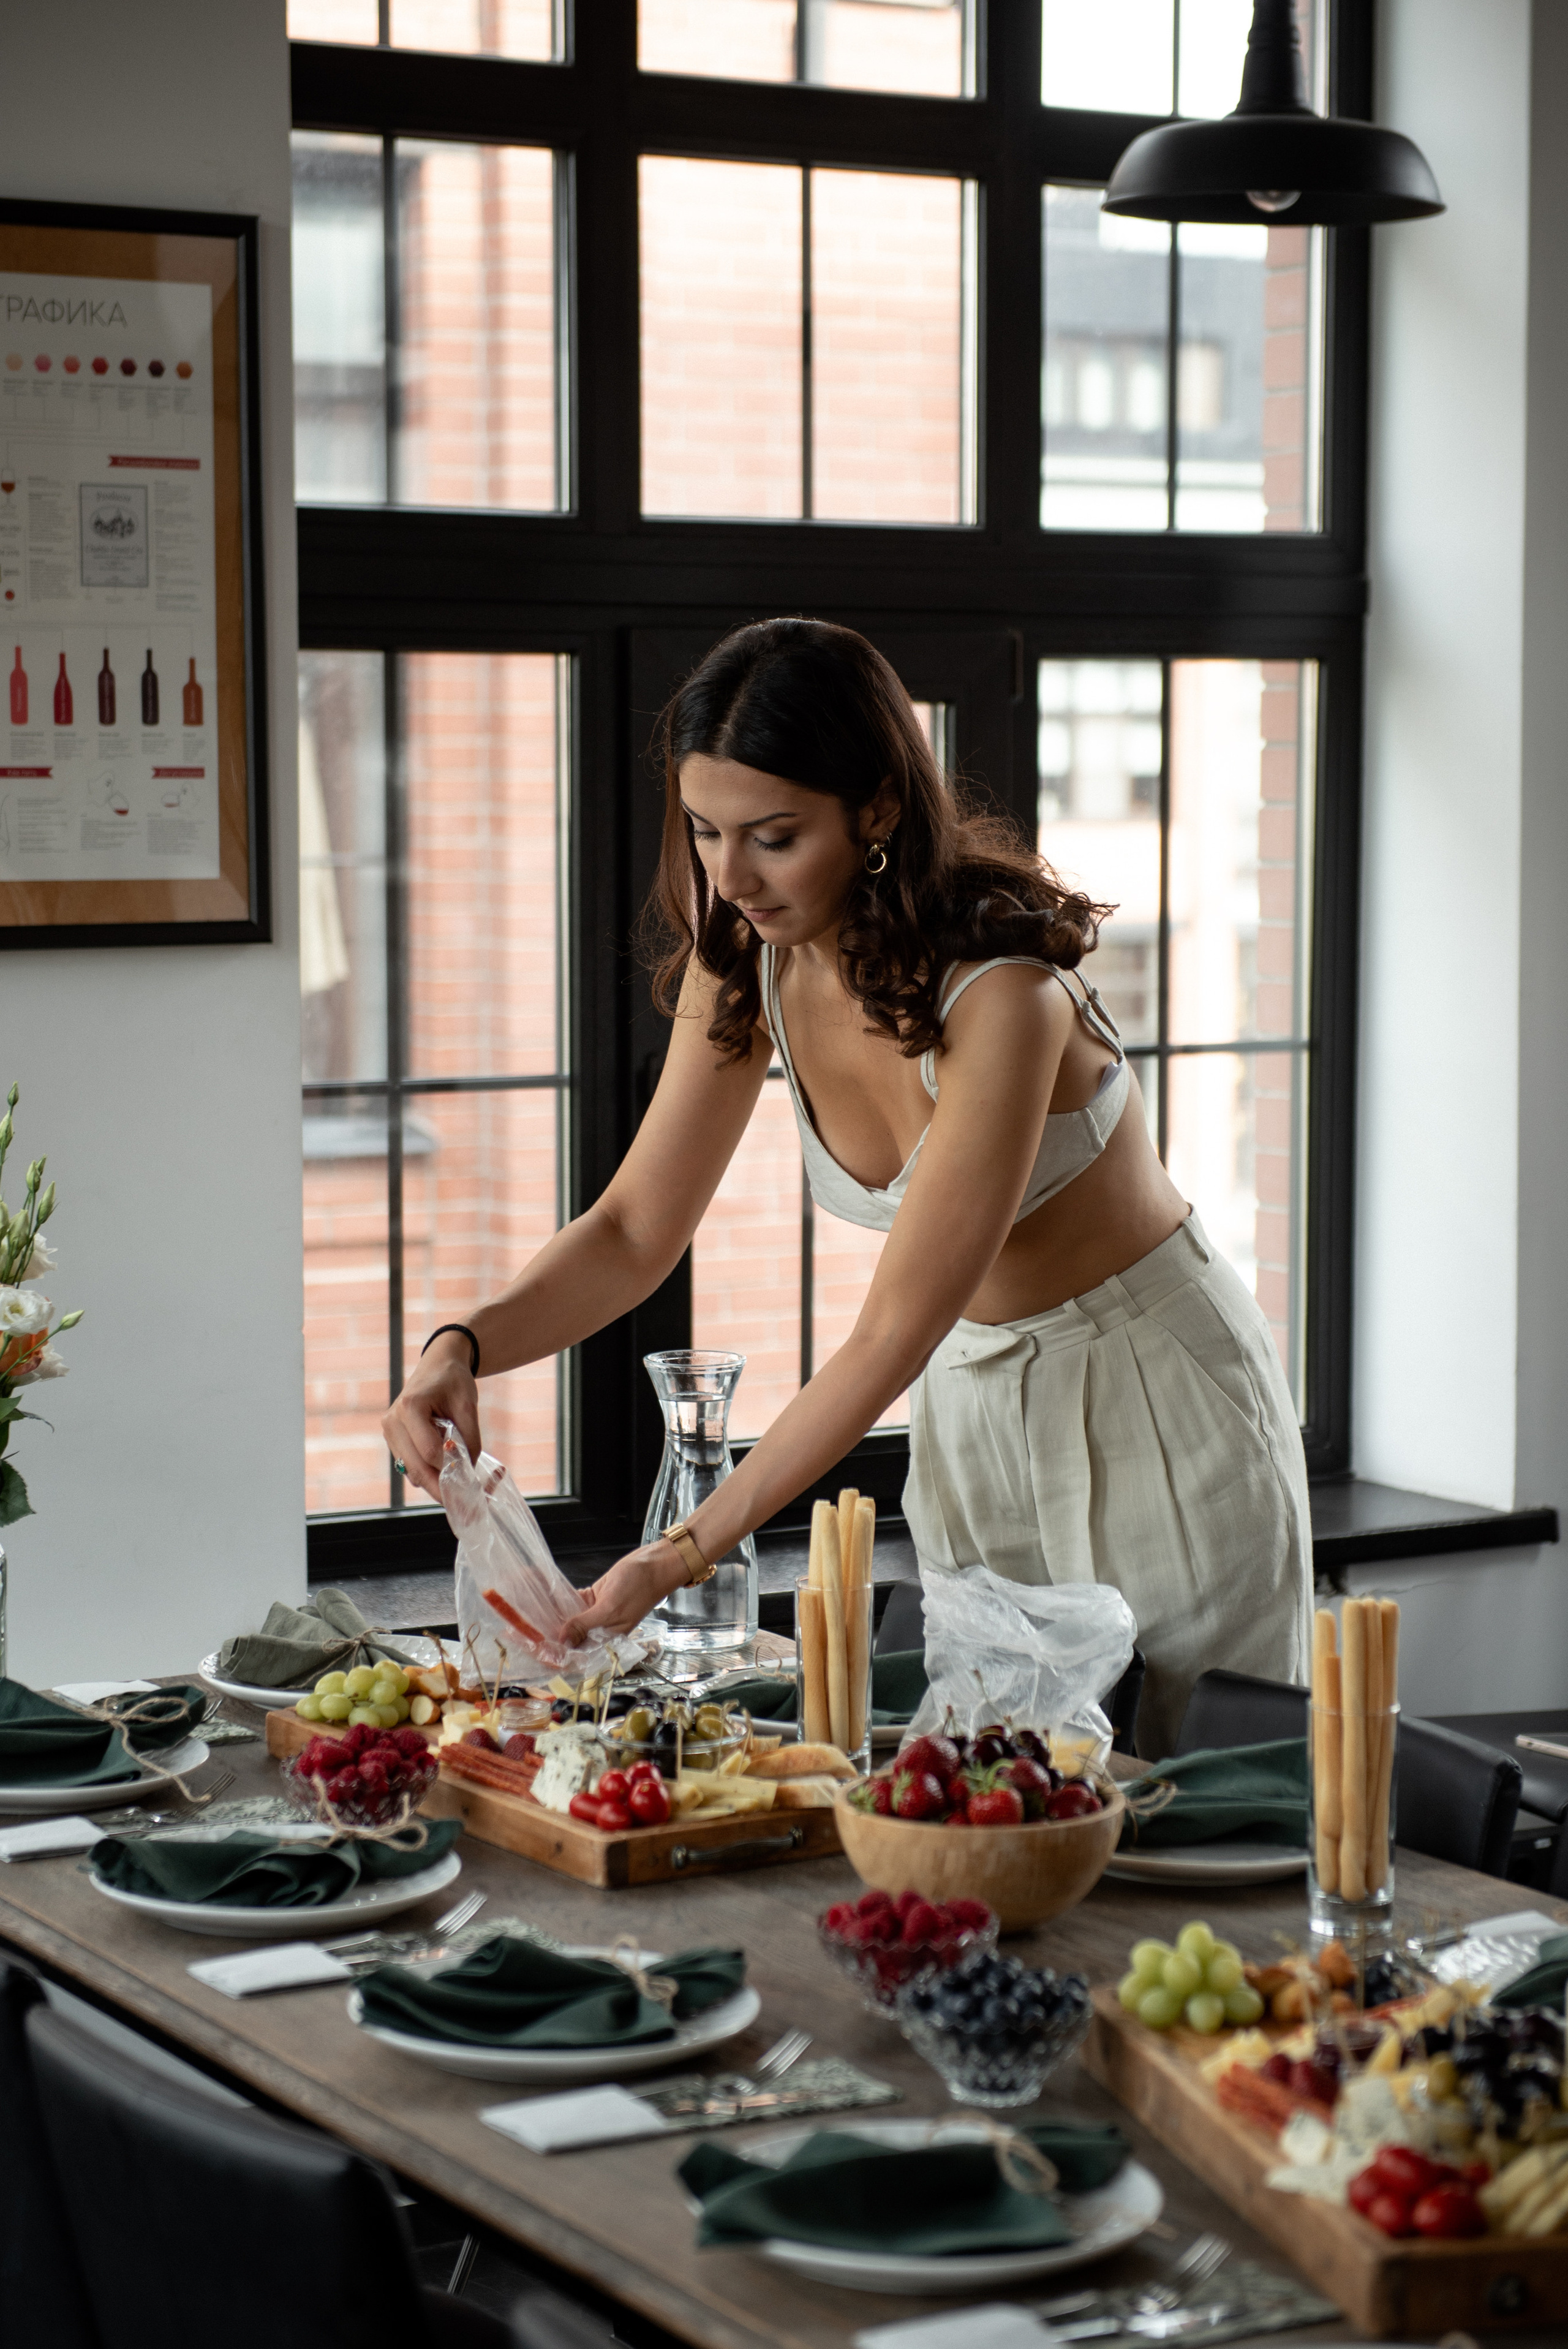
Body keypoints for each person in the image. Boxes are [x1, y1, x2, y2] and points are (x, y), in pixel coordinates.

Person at [383, 619, 1312, 1755]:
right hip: (976, 1410)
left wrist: (684, 1549)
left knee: (1196, 1796)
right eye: (705, 829)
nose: (730, 875)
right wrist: (460, 1344)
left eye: (775, 835)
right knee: (990, 1805)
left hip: (1151, 1396)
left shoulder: (1001, 998)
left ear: (877, 810)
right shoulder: (751, 961)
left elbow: (885, 1336)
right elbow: (633, 1229)